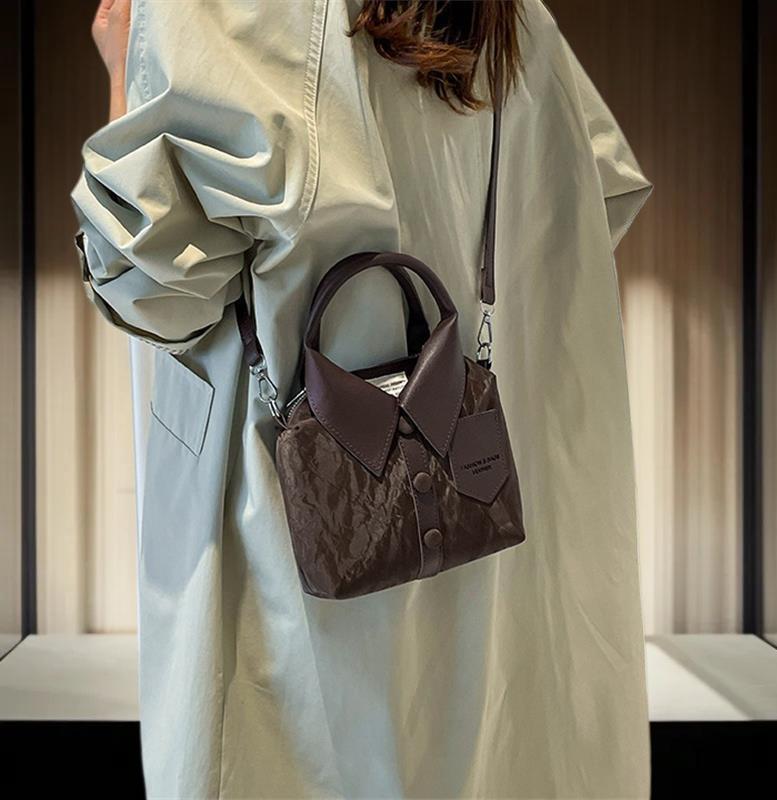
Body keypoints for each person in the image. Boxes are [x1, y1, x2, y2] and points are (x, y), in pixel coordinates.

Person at [72, 1, 653, 797]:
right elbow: (599, 196)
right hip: (489, 573)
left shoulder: (226, 12)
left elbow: (151, 286)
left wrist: (123, 71)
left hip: (294, 594)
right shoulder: (518, 21)